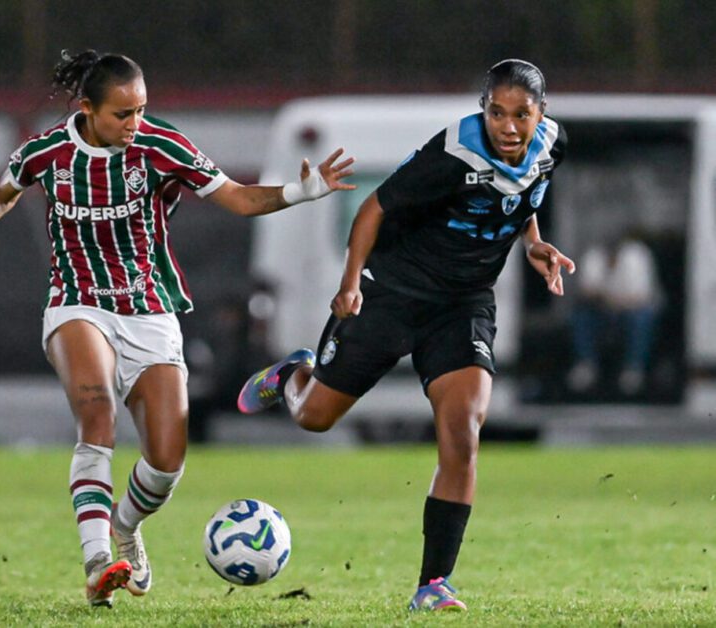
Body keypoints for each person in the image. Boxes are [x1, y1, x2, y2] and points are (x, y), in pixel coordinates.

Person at [0, 48, 355, 608]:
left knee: (168, 459)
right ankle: (99, 559)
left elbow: (240, 199)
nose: (134, 124)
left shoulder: (160, 145)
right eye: (122, 114)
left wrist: (304, 191)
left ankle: (125, 528)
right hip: (77, 303)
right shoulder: (47, 151)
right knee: (97, 409)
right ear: (87, 109)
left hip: (149, 309)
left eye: (141, 110)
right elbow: (3, 195)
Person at [238, 59, 575, 612]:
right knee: (314, 418)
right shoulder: (453, 153)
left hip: (463, 305)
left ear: (542, 114)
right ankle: (294, 373)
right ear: (483, 109)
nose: (509, 126)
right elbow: (371, 209)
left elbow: (522, 200)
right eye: (497, 113)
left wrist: (534, 243)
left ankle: (433, 584)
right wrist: (350, 286)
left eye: (522, 114)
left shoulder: (553, 145)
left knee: (464, 430)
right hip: (391, 292)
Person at [567, 230, 661, 395]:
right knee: (581, 315)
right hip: (603, 312)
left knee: (643, 317)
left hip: (630, 313)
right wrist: (607, 300)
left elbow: (642, 297)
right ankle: (586, 366)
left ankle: (633, 369)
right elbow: (584, 292)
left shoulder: (638, 255)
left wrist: (612, 300)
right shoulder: (594, 255)